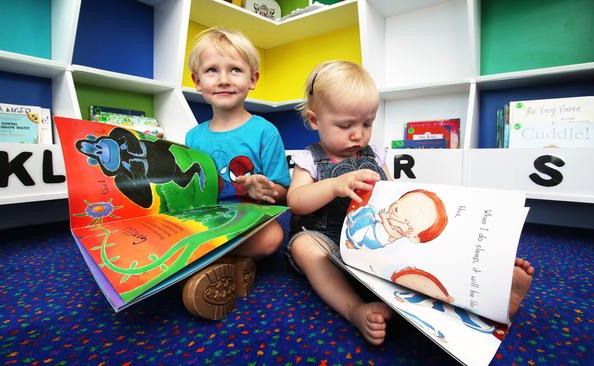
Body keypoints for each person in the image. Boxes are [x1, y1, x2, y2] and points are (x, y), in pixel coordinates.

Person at [285, 61, 534, 345]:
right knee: (306, 248)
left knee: (418, 254)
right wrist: (333, 185)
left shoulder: (373, 155)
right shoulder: (310, 159)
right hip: (326, 241)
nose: (358, 134)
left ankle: (489, 295)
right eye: (345, 125)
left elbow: (392, 193)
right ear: (315, 120)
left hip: (375, 245)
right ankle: (354, 309)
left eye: (367, 123)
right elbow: (296, 202)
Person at [181, 27, 291, 321]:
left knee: (272, 237)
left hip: (248, 224)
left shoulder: (265, 131)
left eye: (236, 70)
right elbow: (192, 192)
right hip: (208, 220)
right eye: (212, 70)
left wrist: (265, 188)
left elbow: (283, 193)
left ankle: (208, 263)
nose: (224, 79)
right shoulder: (192, 137)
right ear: (197, 81)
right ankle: (231, 265)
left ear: (252, 79)